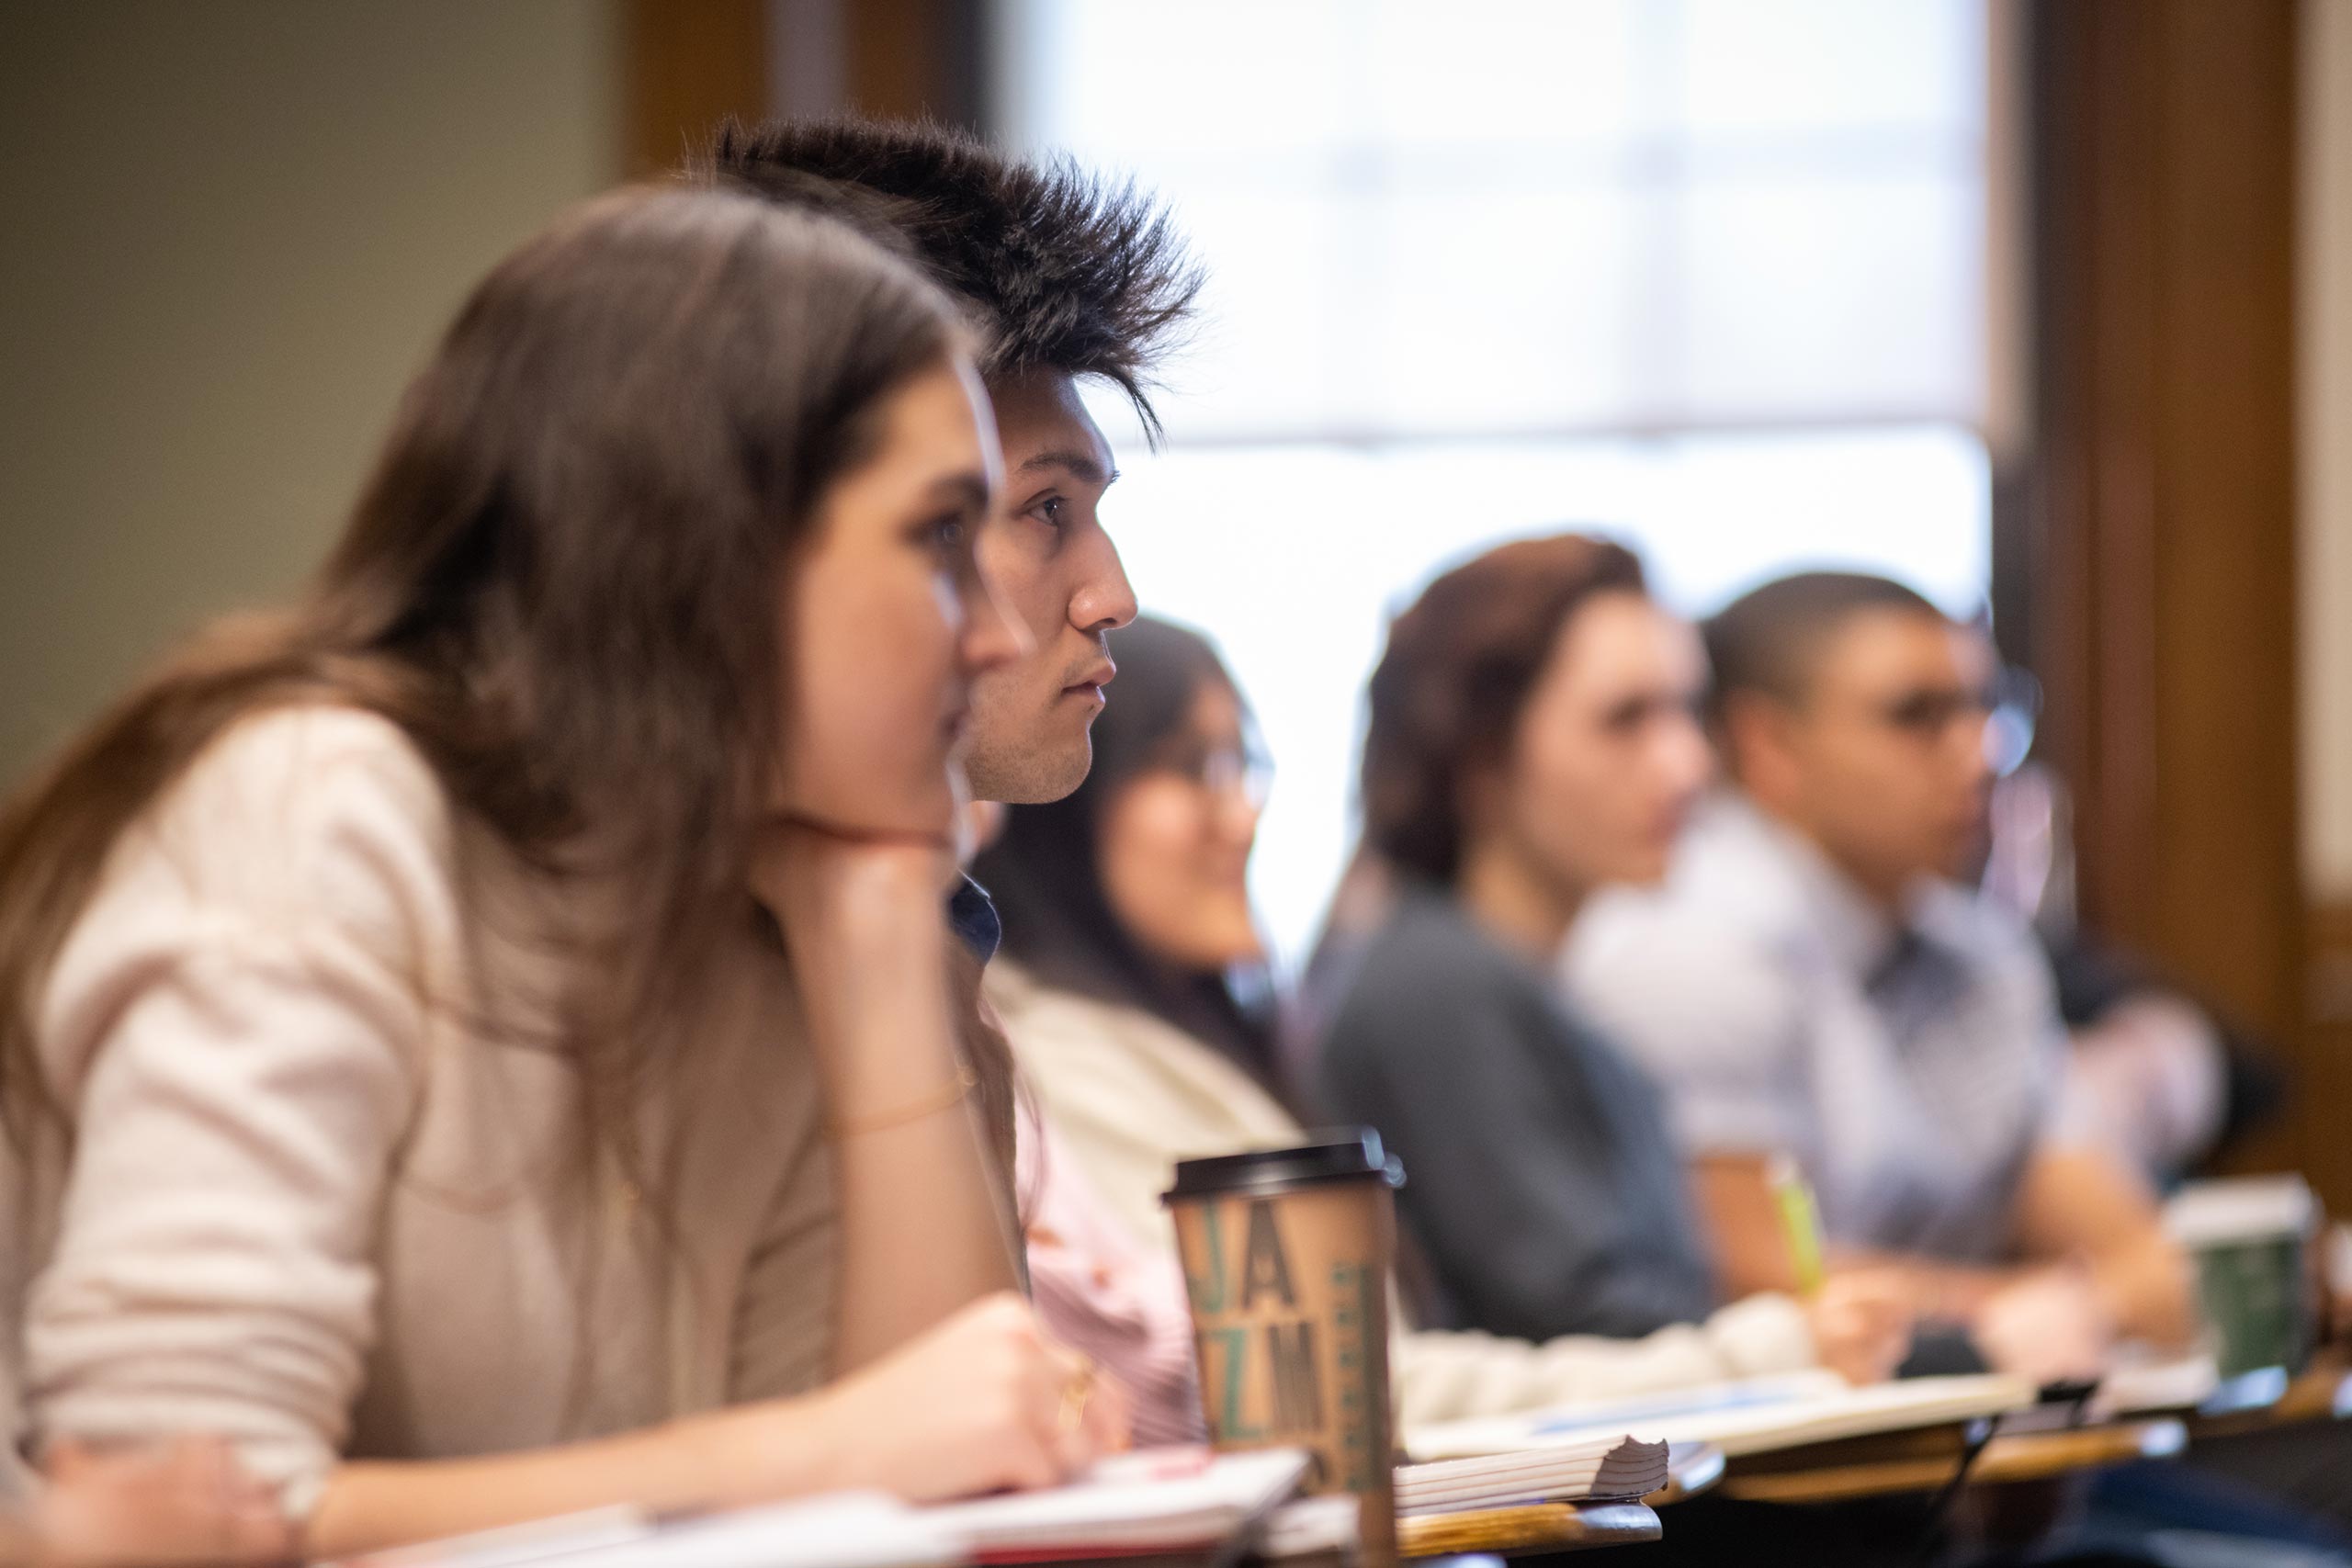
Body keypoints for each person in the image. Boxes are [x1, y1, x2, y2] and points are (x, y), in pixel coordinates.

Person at [0, 187, 1123, 1559]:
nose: (994, 630)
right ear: (712, 543)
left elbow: (958, 1493)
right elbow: (162, 1520)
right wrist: (822, 1453)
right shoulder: (320, 805)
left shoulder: (794, 918)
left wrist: (881, 925)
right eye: (941, 537)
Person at [979, 606, 1908, 1440]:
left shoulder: (1181, 1036)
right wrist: (1759, 1354)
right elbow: (1334, 1388)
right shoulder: (1429, 987)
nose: (1242, 812)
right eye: (1192, 769)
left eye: (1244, 765)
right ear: (1486, 753)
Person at [1569, 571, 2196, 1382]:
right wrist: (2086, 1304)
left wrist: (2119, 1291)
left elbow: (2122, 1246)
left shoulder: (1980, 951)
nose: (1980, 755)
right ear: (1770, 746)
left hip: (1990, 1416)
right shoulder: (1688, 943)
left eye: (1985, 707)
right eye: (1917, 715)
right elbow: (1769, 1291)